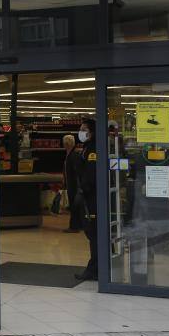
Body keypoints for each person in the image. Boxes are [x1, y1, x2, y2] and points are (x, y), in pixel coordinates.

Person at [75, 118, 98, 281]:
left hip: (92, 199)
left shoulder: (93, 150)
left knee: (94, 233)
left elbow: (90, 174)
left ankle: (94, 269)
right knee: (93, 234)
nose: (81, 132)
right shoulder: (86, 148)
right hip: (89, 196)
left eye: (84, 129)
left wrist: (83, 190)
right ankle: (96, 267)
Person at [62, 134, 83, 233]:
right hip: (72, 184)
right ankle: (77, 225)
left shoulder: (72, 156)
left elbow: (76, 172)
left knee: (74, 206)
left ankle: (74, 226)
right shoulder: (72, 154)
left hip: (74, 185)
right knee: (75, 206)